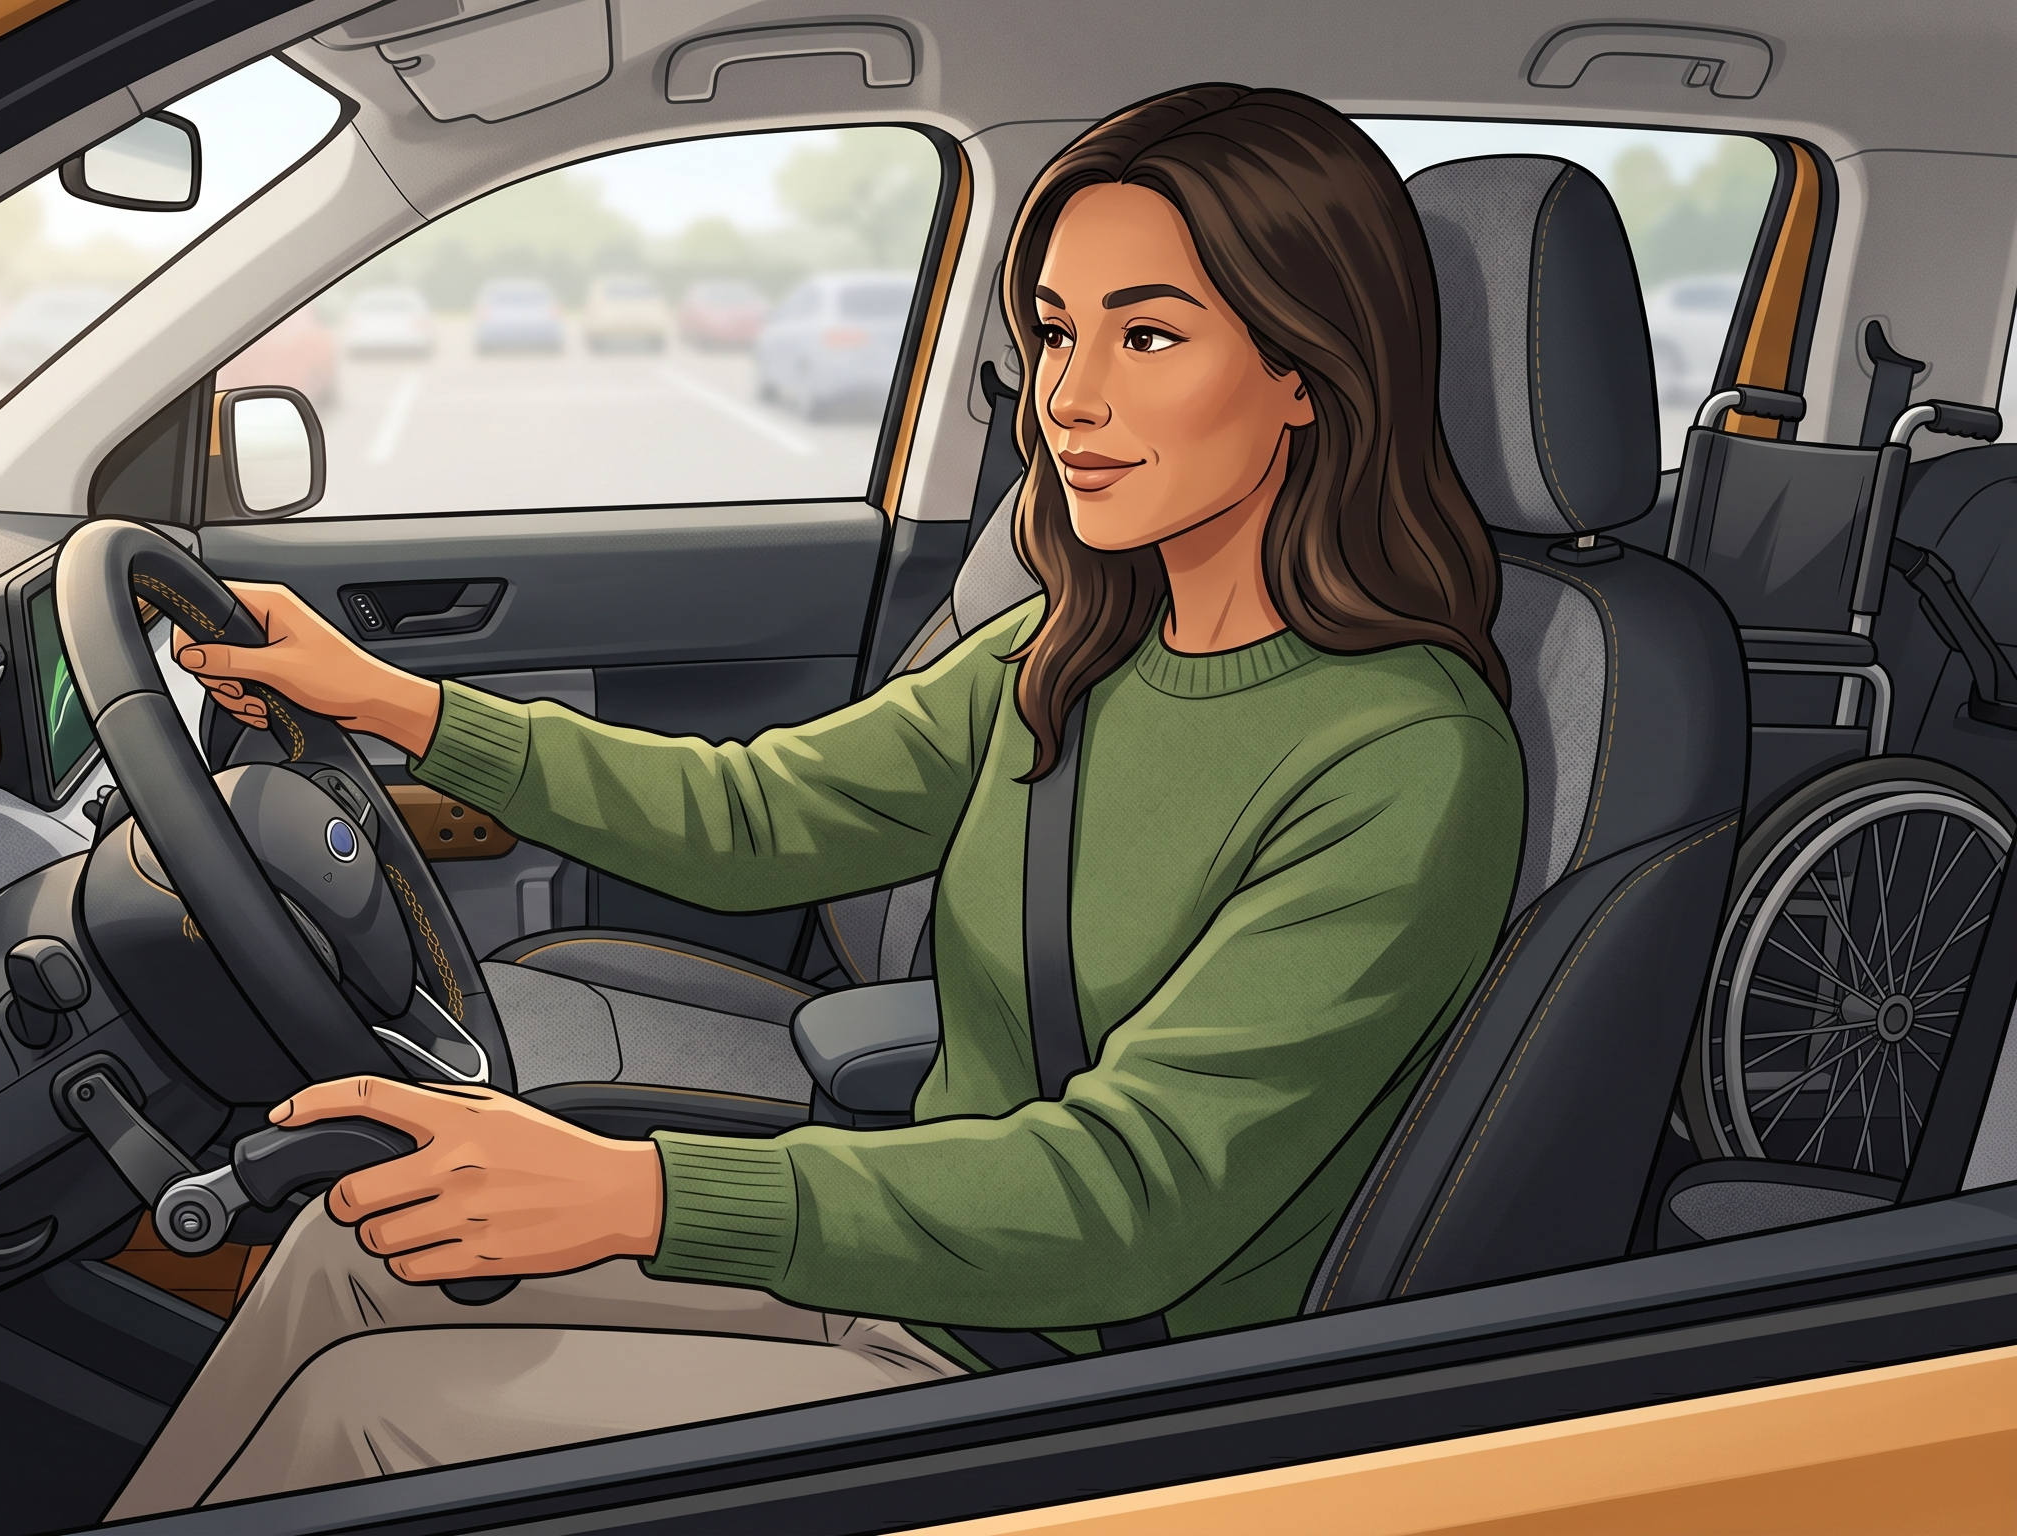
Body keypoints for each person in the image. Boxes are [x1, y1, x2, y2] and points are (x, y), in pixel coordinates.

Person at [107, 82, 1525, 1514]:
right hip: (921, 1260)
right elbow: (758, 820)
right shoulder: (1075, 648)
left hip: (1086, 1376)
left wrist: (631, 1193)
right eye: (1052, 331)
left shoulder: (1405, 757)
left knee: (376, 1415)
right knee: (360, 1243)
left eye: (1147, 336)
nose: (1069, 397)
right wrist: (393, 701)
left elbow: (1129, 1202)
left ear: (1306, 370)